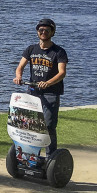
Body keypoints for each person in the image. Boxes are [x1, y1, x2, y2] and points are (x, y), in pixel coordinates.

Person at [14, 18, 68, 153]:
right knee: (30, 124)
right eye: (41, 30)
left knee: (48, 125)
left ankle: (51, 155)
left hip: (51, 93)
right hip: (33, 91)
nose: (43, 32)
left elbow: (62, 73)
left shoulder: (58, 52)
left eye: (47, 30)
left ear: (52, 32)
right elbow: (20, 66)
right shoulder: (31, 49)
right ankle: (30, 153)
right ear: (37, 32)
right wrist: (19, 77)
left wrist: (48, 83)